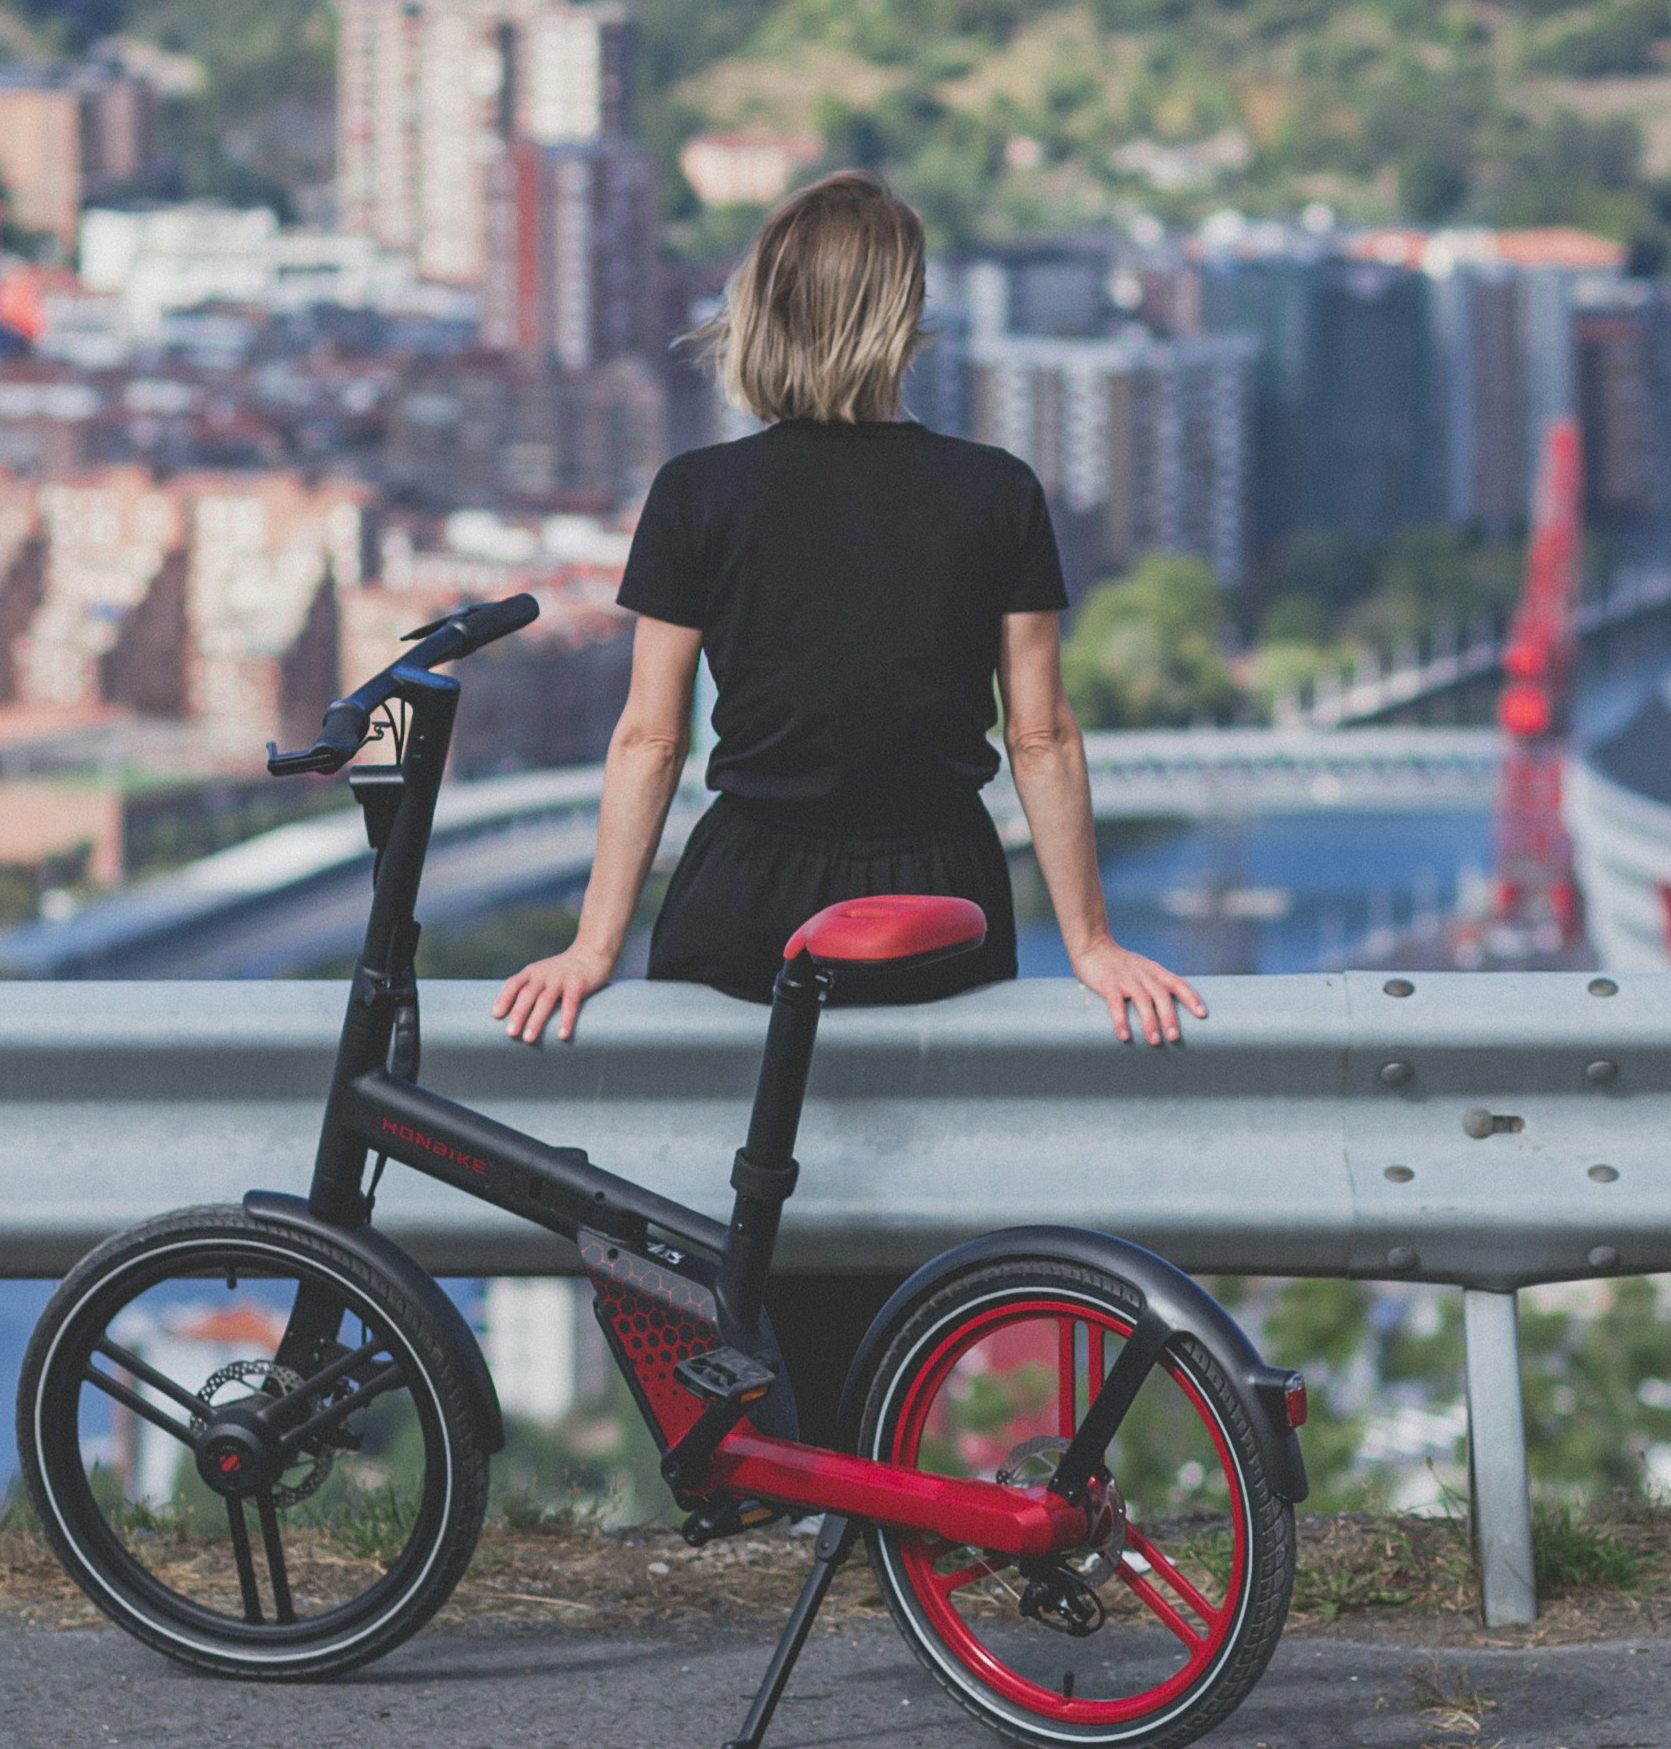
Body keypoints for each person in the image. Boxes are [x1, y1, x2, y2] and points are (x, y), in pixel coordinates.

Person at [490, 169, 1206, 1425]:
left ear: (763, 314)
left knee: (673, 1204)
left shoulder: (698, 494)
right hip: (938, 895)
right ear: (905, 320)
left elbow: (648, 740)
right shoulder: (996, 492)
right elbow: (1039, 734)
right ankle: (863, 1465)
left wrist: (592, 944)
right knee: (892, 1210)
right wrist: (1091, 944)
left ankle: (755, 1452)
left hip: (743, 898)